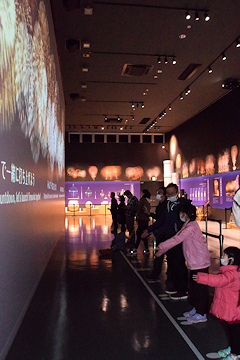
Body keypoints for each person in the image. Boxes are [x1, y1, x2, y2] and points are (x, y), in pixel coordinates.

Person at [155, 203, 211, 323]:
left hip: (200, 262)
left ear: (185, 214)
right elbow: (178, 236)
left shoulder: (191, 227)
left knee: (200, 289)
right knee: (194, 288)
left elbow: (177, 238)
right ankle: (197, 309)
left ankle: (202, 313)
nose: (180, 215)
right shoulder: (187, 225)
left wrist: (162, 247)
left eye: (181, 213)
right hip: (194, 262)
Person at [142, 183, 190, 299]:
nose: (170, 195)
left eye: (172, 193)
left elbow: (171, 222)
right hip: (170, 238)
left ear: (177, 192)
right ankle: (176, 285)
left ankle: (183, 289)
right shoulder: (168, 204)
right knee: (172, 262)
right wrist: (149, 230)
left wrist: (156, 233)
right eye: (168, 194)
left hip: (178, 238)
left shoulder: (182, 205)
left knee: (179, 263)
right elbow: (162, 220)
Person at [193, 247, 240, 360]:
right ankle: (233, 348)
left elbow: (219, 280)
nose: (221, 258)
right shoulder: (231, 271)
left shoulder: (232, 274)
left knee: (235, 333)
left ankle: (235, 353)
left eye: (224, 256)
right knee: (230, 332)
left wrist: (202, 277)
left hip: (233, 310)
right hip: (230, 308)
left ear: (231, 259)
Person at [147, 187, 167, 280]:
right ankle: (155, 273)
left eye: (160, 192)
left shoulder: (166, 206)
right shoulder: (160, 205)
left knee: (162, 254)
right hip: (159, 231)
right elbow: (159, 219)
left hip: (164, 233)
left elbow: (162, 220)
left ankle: (157, 274)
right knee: (158, 254)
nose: (158, 194)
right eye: (158, 192)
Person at [131, 189, 151, 256]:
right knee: (144, 234)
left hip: (142, 219)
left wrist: (137, 217)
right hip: (145, 219)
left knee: (139, 234)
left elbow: (139, 210)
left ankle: (135, 248)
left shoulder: (142, 201)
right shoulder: (147, 201)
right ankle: (146, 248)